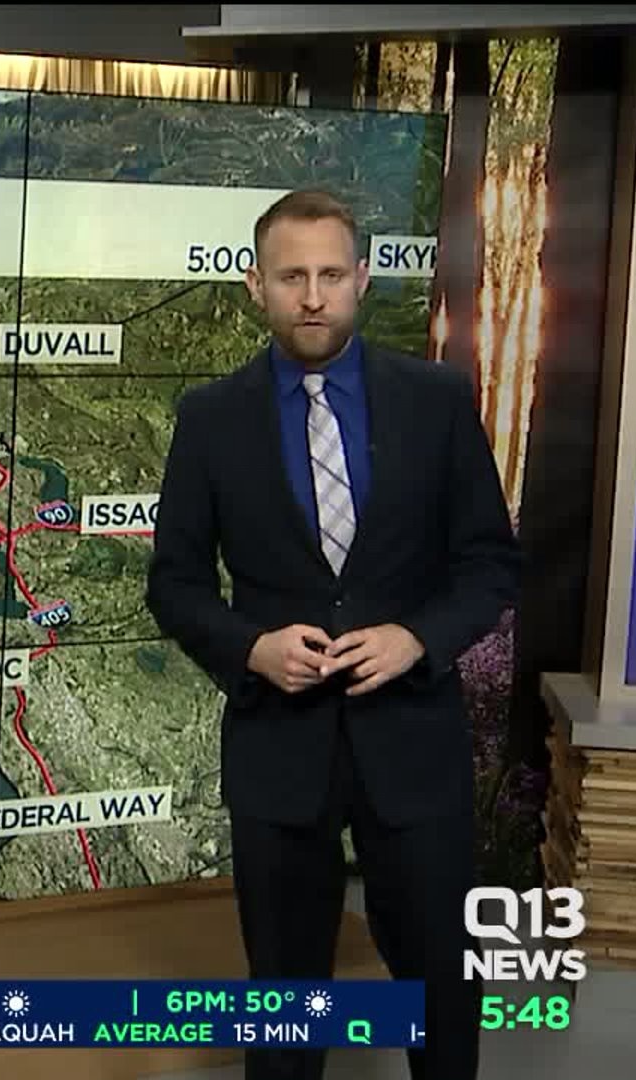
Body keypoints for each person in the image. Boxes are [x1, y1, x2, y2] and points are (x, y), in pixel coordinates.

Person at [145, 189, 521, 1080]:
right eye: (291, 277)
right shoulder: (211, 418)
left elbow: (489, 565)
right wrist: (251, 649)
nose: (312, 296)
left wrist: (415, 639)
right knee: (285, 996)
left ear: (361, 279)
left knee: (439, 987)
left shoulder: (436, 401)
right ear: (256, 286)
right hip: (280, 752)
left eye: (329, 275)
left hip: (414, 746)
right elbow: (176, 584)